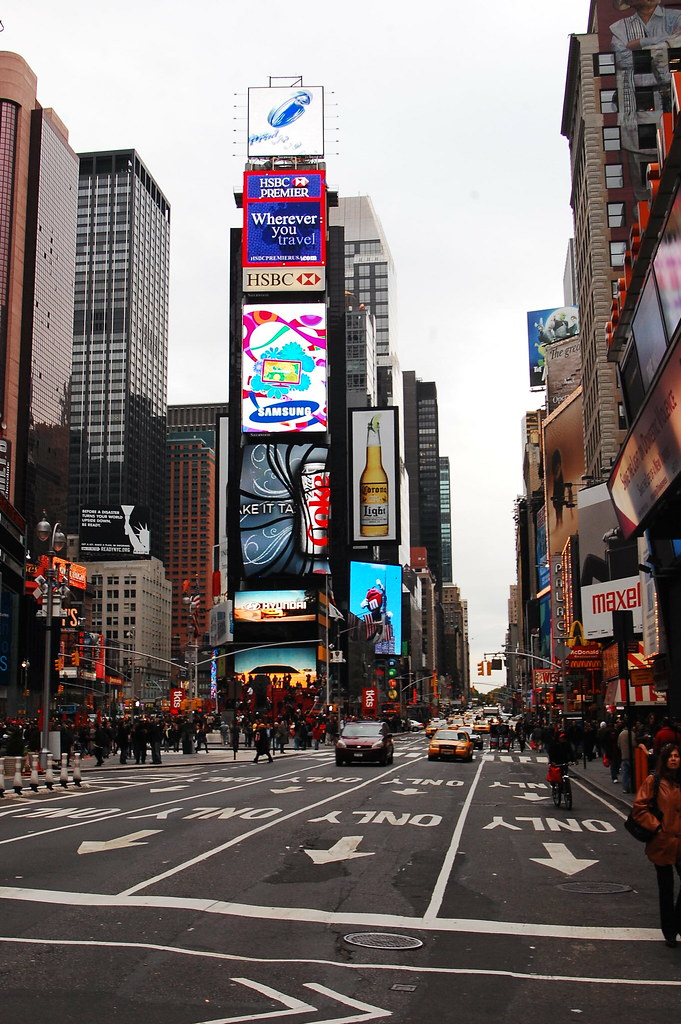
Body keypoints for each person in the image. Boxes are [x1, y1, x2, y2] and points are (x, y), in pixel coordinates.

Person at [631, 742, 681, 947]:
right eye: (670, 756)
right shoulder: (654, 780)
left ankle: (677, 921)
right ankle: (669, 930)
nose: (674, 759)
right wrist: (657, 828)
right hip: (662, 842)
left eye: (677, 756)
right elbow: (639, 808)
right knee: (666, 887)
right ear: (664, 759)